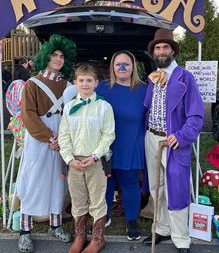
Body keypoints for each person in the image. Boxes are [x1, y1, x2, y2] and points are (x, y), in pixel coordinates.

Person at [141, 29, 204, 253]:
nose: (161, 51)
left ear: (172, 50)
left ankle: (180, 238)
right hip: (151, 137)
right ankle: (162, 228)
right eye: (157, 48)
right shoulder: (152, 78)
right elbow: (146, 109)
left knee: (176, 189)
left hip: (173, 141)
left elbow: (196, 115)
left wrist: (182, 136)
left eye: (165, 47)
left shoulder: (185, 78)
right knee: (156, 187)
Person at [16, 34, 77, 253]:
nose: (58, 59)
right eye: (54, 55)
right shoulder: (32, 84)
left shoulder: (69, 86)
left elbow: (72, 115)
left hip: (61, 141)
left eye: (62, 55)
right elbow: (28, 114)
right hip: (40, 140)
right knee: (32, 181)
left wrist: (63, 139)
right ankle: (25, 230)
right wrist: (49, 137)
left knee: (58, 183)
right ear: (46, 56)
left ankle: (56, 224)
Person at [58, 64, 115, 253]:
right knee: (78, 199)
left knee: (97, 200)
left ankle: (98, 238)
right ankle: (81, 235)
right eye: (81, 80)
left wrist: (94, 156)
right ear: (75, 83)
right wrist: (68, 159)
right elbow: (64, 136)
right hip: (74, 162)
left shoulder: (104, 107)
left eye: (89, 80)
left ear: (96, 83)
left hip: (94, 161)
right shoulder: (69, 108)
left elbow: (108, 135)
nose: (85, 84)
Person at [96, 50, 147, 241]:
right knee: (105, 184)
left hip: (131, 145)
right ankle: (105, 215)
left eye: (126, 63)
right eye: (118, 64)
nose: (122, 67)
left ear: (133, 66)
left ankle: (131, 221)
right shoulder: (101, 88)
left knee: (129, 184)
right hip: (105, 146)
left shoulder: (144, 89)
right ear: (113, 67)